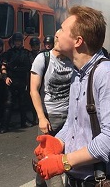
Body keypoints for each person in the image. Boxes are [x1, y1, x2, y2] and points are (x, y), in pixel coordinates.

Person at [33, 6, 110, 186]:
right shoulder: (77, 74)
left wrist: (64, 161)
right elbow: (74, 124)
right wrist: (58, 142)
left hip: (99, 181)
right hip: (76, 179)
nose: (56, 33)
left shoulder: (109, 75)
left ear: (78, 41)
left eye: (62, 29)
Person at [30, 30, 74, 187]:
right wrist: (41, 117)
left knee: (63, 158)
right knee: (46, 159)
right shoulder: (43, 58)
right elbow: (34, 89)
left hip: (70, 117)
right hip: (50, 117)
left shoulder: (72, 60)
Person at [1, 32, 33, 133]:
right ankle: (5, 125)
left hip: (22, 80)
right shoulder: (8, 53)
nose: (18, 43)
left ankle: (23, 122)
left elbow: (31, 67)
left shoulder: (27, 53)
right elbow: (3, 66)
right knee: (9, 103)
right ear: (13, 42)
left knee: (22, 103)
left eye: (19, 41)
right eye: (16, 41)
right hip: (11, 80)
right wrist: (5, 77)